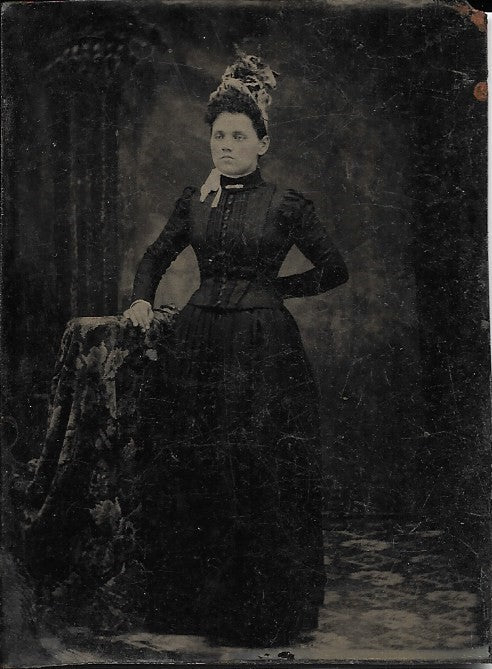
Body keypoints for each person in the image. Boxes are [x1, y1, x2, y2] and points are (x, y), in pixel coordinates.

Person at [123, 50, 349, 648]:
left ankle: (260, 613)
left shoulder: (286, 205)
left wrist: (275, 289)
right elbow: (153, 259)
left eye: (238, 135)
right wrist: (143, 301)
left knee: (257, 468)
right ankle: (192, 608)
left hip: (262, 350)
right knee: (197, 466)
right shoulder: (194, 200)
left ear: (262, 143)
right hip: (197, 345)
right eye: (218, 135)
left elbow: (334, 269)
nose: (226, 145)